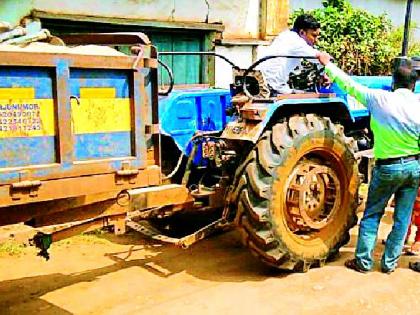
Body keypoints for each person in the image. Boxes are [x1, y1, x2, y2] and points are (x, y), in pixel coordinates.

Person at [317, 52, 420, 274]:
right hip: (413, 167)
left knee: (373, 214)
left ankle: (363, 262)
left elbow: (349, 85)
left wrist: (328, 65)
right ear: (414, 84)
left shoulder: (378, 99)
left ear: (393, 82)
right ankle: (389, 264)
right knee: (402, 217)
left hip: (387, 168)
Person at [259, 14, 324, 94]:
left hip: (267, 83)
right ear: (302, 32)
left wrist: (322, 73)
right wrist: (327, 74)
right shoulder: (296, 42)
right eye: (313, 36)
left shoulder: (286, 36)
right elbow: (320, 58)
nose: (316, 40)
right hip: (273, 87)